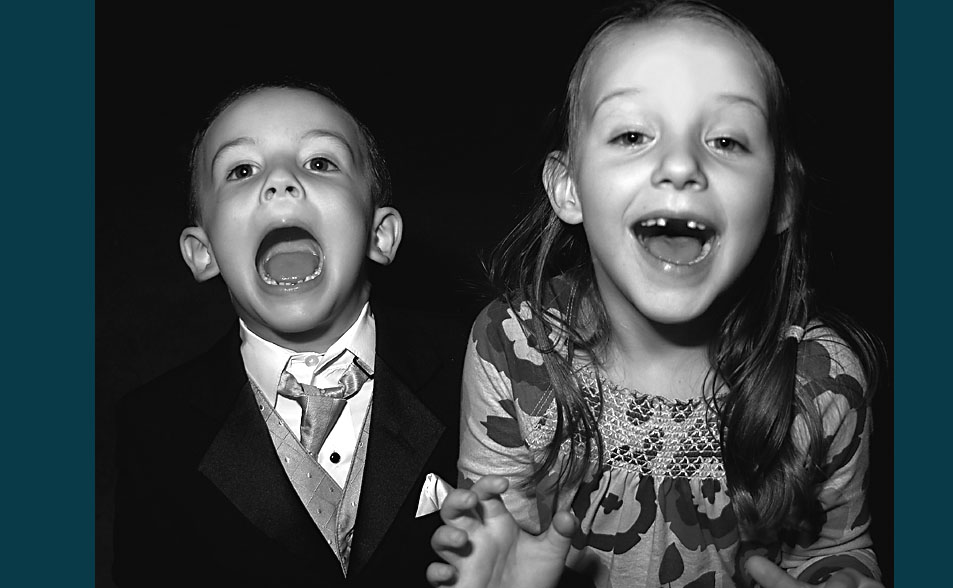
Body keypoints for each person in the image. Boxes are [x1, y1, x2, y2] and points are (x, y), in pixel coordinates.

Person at [427, 1, 885, 587]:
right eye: (632, 134)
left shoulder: (821, 379)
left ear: (781, 201)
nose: (679, 164)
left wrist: (840, 576)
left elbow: (838, 544)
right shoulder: (516, 349)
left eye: (726, 140)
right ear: (568, 188)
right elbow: (499, 540)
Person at [112, 80, 465, 587]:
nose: (279, 181)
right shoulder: (156, 425)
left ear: (379, 235)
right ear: (202, 251)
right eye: (241, 170)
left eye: (320, 162)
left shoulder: (478, 363)